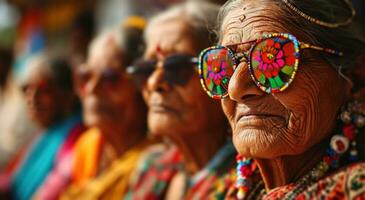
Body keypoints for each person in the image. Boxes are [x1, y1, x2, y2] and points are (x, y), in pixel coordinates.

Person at [196, 0, 365, 199]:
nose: (235, 89)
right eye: (222, 66)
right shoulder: (221, 190)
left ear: (354, 76)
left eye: (273, 60)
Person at [125, 2, 236, 199]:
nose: (154, 83)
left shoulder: (247, 181)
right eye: (147, 69)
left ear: (224, 76)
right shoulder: (152, 164)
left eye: (177, 68)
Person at [60, 16, 152, 200]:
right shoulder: (87, 145)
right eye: (85, 77)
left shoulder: (156, 163)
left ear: (143, 85)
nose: (92, 89)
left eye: (110, 79)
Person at [0, 54, 83, 200]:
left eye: (44, 89)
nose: (32, 98)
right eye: (26, 89)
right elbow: (11, 180)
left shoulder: (76, 137)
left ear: (68, 95)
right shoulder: (44, 135)